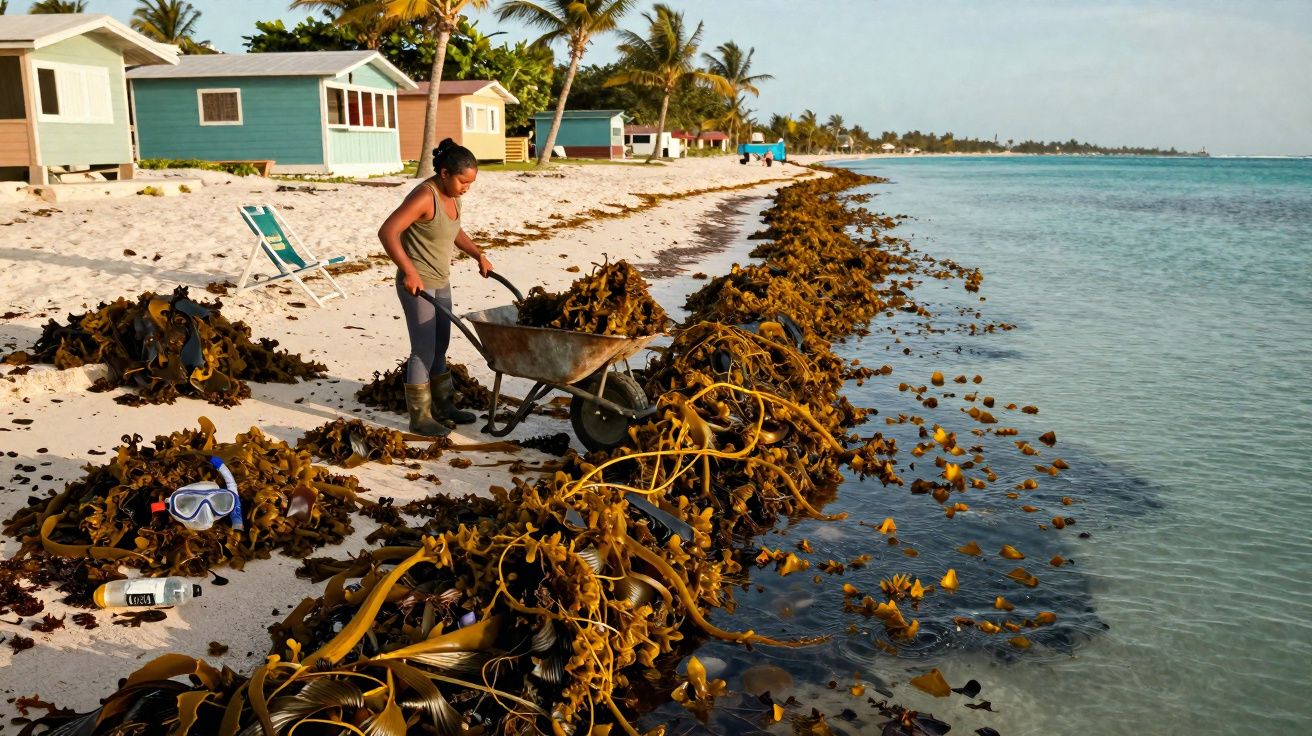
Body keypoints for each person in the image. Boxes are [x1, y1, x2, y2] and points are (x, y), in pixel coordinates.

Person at [379, 138, 494, 437]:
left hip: (441, 280)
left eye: (471, 183)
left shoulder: (453, 196)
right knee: (423, 350)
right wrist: (408, 271)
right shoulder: (424, 196)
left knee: (440, 346)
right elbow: (388, 231)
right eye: (463, 181)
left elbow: (454, 231)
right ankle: (420, 417)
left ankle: (443, 406)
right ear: (444, 173)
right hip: (417, 285)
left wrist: (478, 254)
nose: (466, 188)